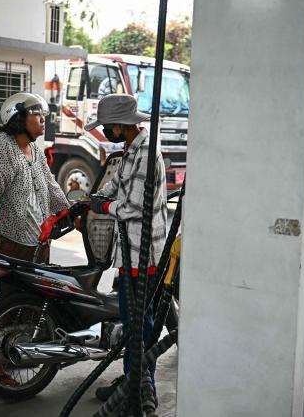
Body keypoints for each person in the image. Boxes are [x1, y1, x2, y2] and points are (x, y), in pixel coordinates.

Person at [84, 94, 168, 402]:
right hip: (130, 251)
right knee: (132, 322)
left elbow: (133, 206)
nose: (105, 130)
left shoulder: (145, 155)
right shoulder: (131, 150)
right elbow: (117, 184)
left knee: (140, 325)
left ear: (120, 125)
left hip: (142, 252)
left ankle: (142, 389)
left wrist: (104, 207)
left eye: (107, 125)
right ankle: (131, 380)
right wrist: (94, 197)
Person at [0, 92, 69, 291]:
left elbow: (50, 186)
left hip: (29, 243)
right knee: (0, 299)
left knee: (28, 301)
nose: (43, 119)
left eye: (43, 115)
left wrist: (69, 214)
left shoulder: (34, 149)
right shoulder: (0, 146)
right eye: (37, 114)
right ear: (19, 117)